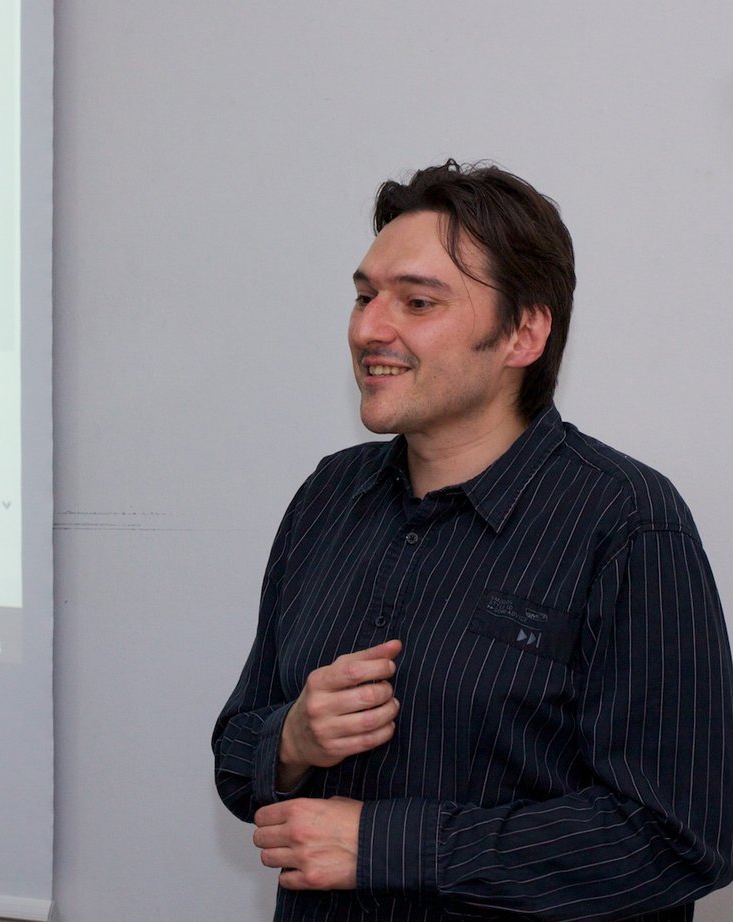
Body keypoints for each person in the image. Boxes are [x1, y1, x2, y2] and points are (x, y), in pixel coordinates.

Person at [211, 160, 733, 920]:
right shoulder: (329, 496)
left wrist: (385, 845)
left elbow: (679, 835)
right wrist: (289, 738)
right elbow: (237, 752)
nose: (368, 329)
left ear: (524, 331)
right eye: (363, 297)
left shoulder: (627, 523)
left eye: (416, 302)